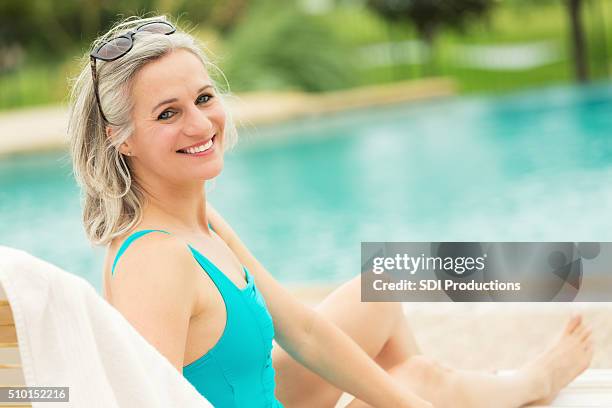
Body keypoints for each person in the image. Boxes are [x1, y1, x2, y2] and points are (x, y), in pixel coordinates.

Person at [68, 15, 594, 408]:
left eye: (203, 98)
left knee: (382, 290)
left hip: (262, 394)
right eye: (167, 113)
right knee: (416, 380)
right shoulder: (156, 260)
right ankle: (529, 384)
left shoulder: (200, 223)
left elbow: (302, 329)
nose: (200, 125)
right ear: (122, 140)